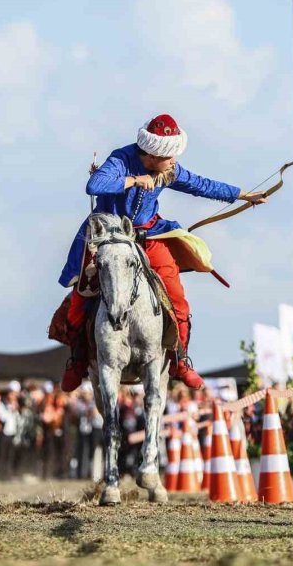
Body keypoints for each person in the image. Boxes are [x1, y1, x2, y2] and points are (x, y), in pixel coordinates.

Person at [56, 114, 268, 391]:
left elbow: (201, 184)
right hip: (109, 238)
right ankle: (79, 359)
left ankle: (181, 361)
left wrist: (244, 195)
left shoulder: (169, 170)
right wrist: (133, 181)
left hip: (150, 236)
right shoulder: (120, 159)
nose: (174, 161)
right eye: (170, 156)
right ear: (153, 155)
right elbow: (94, 186)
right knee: (80, 295)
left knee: (177, 298)